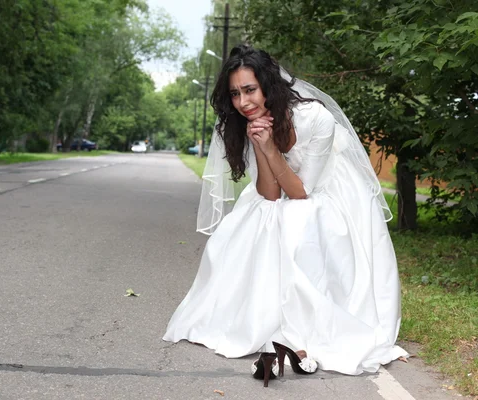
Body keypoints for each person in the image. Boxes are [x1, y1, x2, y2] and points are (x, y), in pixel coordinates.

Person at [163, 44, 408, 386]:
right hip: (286, 188)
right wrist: (261, 147)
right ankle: (260, 315)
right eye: (235, 94)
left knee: (296, 220)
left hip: (328, 193)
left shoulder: (315, 118)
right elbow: (269, 193)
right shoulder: (250, 124)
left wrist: (269, 147)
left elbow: (301, 191)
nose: (243, 102)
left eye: (250, 90)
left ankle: (299, 319)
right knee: (260, 218)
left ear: (268, 85)